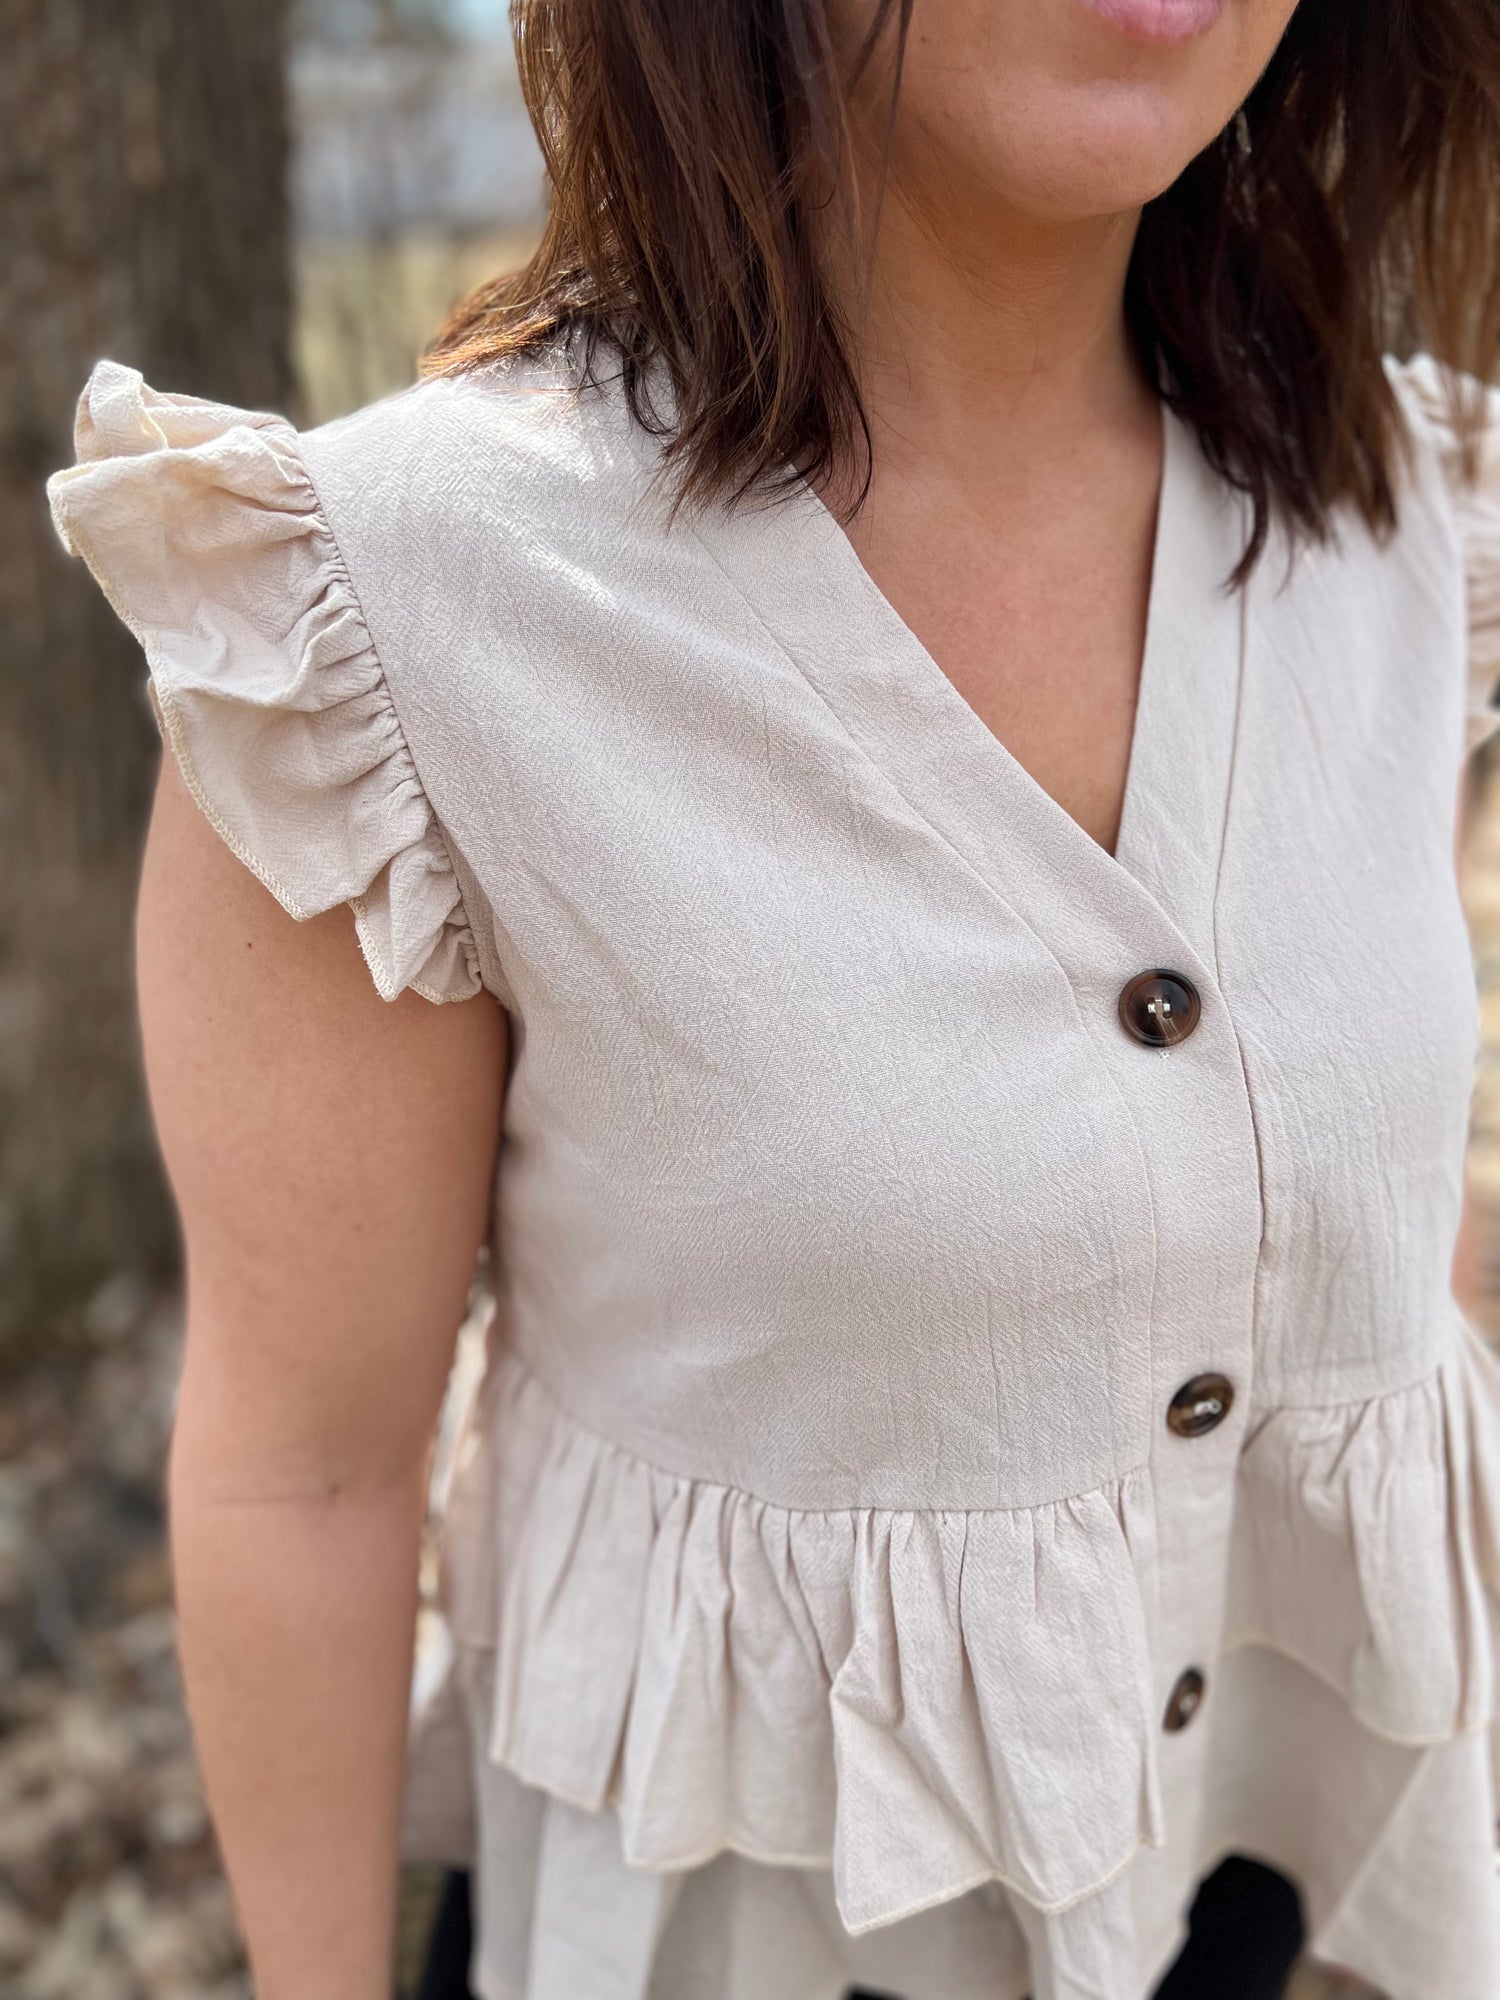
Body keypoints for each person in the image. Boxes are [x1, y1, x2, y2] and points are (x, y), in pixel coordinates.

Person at [44, 1, 1500, 1997]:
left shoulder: (1406, 522)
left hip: (1268, 1906)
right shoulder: (396, 614)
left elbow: (1367, 1238)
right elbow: (307, 1468)